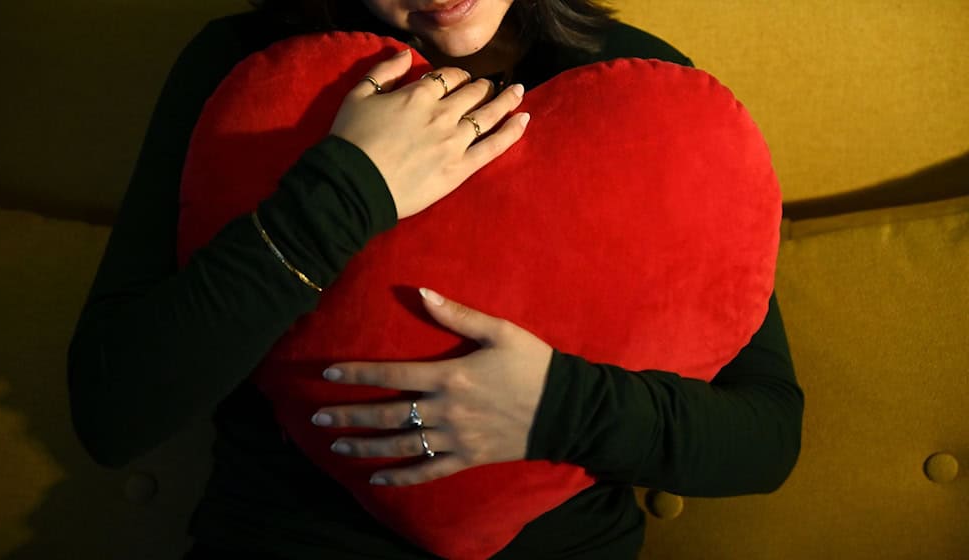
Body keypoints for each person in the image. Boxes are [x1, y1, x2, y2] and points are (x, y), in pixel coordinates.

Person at [66, 1, 805, 558]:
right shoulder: (248, 71)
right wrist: (348, 192)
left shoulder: (650, 95)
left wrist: (556, 408)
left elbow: (767, 435)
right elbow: (112, 412)